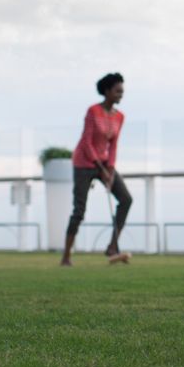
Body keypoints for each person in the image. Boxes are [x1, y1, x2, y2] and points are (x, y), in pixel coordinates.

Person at [60, 73, 133, 267]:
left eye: (122, 91)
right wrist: (100, 167)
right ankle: (66, 256)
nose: (121, 95)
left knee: (125, 199)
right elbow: (86, 141)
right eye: (117, 91)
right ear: (107, 91)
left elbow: (114, 145)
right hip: (84, 163)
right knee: (79, 210)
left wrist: (110, 168)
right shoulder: (93, 111)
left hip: (104, 163)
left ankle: (112, 246)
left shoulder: (119, 117)